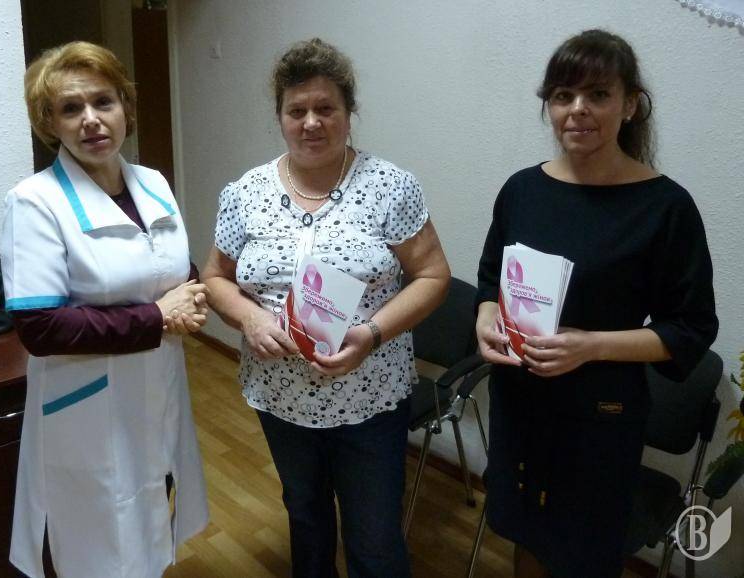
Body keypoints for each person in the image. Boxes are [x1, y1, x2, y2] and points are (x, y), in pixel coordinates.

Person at [202, 38, 450, 578]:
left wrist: (372, 334)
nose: (311, 122)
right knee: (306, 516)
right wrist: (249, 318)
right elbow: (215, 277)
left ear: (348, 112)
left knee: (375, 539)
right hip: (279, 394)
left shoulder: (390, 186)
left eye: (325, 108)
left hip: (370, 395)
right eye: (297, 111)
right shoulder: (245, 193)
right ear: (280, 117)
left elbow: (434, 276)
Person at [475, 29, 718, 578]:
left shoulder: (666, 208)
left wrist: (590, 346)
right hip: (519, 400)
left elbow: (690, 328)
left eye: (598, 94)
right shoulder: (522, 190)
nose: (578, 109)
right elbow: (492, 277)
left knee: (583, 550)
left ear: (630, 105)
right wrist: (486, 316)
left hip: (600, 413)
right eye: (563, 95)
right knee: (525, 531)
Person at [0, 41, 209, 578]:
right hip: (88, 405)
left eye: (103, 101)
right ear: (50, 123)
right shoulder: (34, 201)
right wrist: (159, 318)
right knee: (101, 542)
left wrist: (192, 295)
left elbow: (171, 269)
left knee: (151, 514)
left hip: (157, 384)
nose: (91, 120)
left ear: (125, 107)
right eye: (71, 108)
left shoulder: (153, 184)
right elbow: (40, 327)